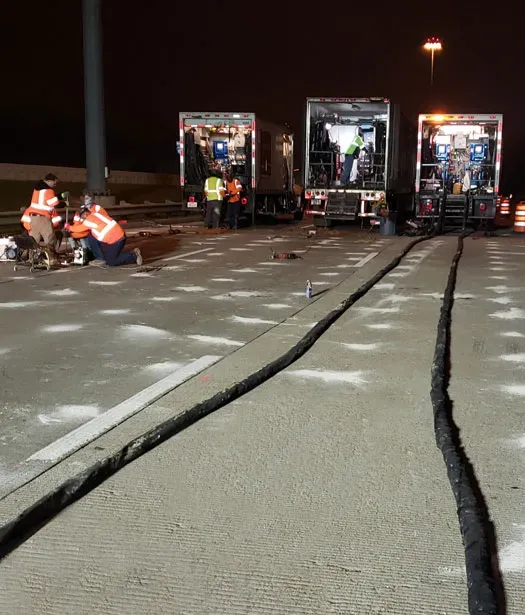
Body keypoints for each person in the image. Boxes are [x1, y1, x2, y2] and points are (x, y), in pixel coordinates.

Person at [67, 202, 142, 267]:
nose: (82, 218)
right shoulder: (96, 214)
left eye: (82, 216)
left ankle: (133, 255)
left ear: (85, 214)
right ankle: (100, 258)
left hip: (116, 241)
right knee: (91, 236)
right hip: (117, 237)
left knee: (111, 262)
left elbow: (79, 229)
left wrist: (68, 227)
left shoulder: (88, 221)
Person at [20, 173, 63, 261]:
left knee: (34, 239)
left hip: (33, 218)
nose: (54, 185)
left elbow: (44, 201)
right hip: (43, 218)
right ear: (50, 181)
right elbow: (53, 203)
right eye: (54, 183)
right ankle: (51, 259)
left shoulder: (37, 189)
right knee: (50, 238)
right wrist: (61, 199)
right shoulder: (48, 190)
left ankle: (32, 259)